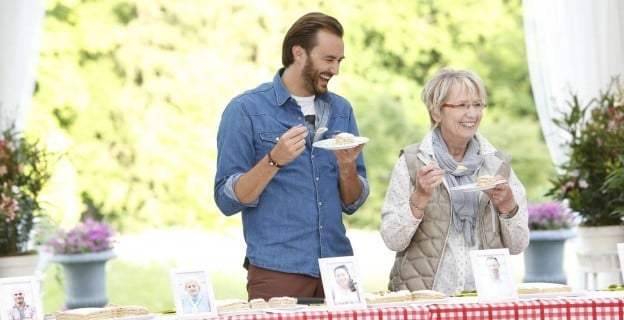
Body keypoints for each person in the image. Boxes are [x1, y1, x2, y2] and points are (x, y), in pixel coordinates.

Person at [214, 12, 369, 300]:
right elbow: (226, 200)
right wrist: (274, 159)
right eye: (328, 59)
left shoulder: (342, 111)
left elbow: (352, 202)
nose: (335, 70)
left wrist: (347, 168)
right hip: (277, 271)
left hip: (339, 270)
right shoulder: (245, 110)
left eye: (339, 61)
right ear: (299, 53)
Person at [380, 67, 529, 296]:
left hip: (485, 299)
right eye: (462, 105)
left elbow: (519, 245)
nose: (472, 114)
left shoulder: (496, 166)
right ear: (437, 112)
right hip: (426, 300)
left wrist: (508, 206)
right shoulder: (413, 162)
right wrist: (420, 196)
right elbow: (392, 239)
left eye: (477, 105)